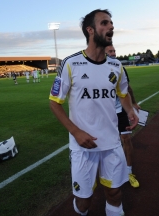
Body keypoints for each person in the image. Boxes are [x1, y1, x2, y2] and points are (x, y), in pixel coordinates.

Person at [49, 9, 138, 216]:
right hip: (83, 146)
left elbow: (122, 92)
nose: (111, 27)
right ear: (90, 30)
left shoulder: (116, 66)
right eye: (105, 23)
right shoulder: (71, 64)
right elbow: (54, 103)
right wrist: (76, 132)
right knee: (84, 201)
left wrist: (130, 110)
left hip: (111, 142)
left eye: (111, 24)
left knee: (115, 192)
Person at [105, 45, 141, 188]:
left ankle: (129, 172)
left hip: (120, 111)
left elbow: (127, 88)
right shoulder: (96, 69)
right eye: (110, 51)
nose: (114, 53)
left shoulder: (119, 67)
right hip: (105, 113)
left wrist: (133, 103)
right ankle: (109, 170)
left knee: (126, 139)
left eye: (114, 51)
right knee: (107, 142)